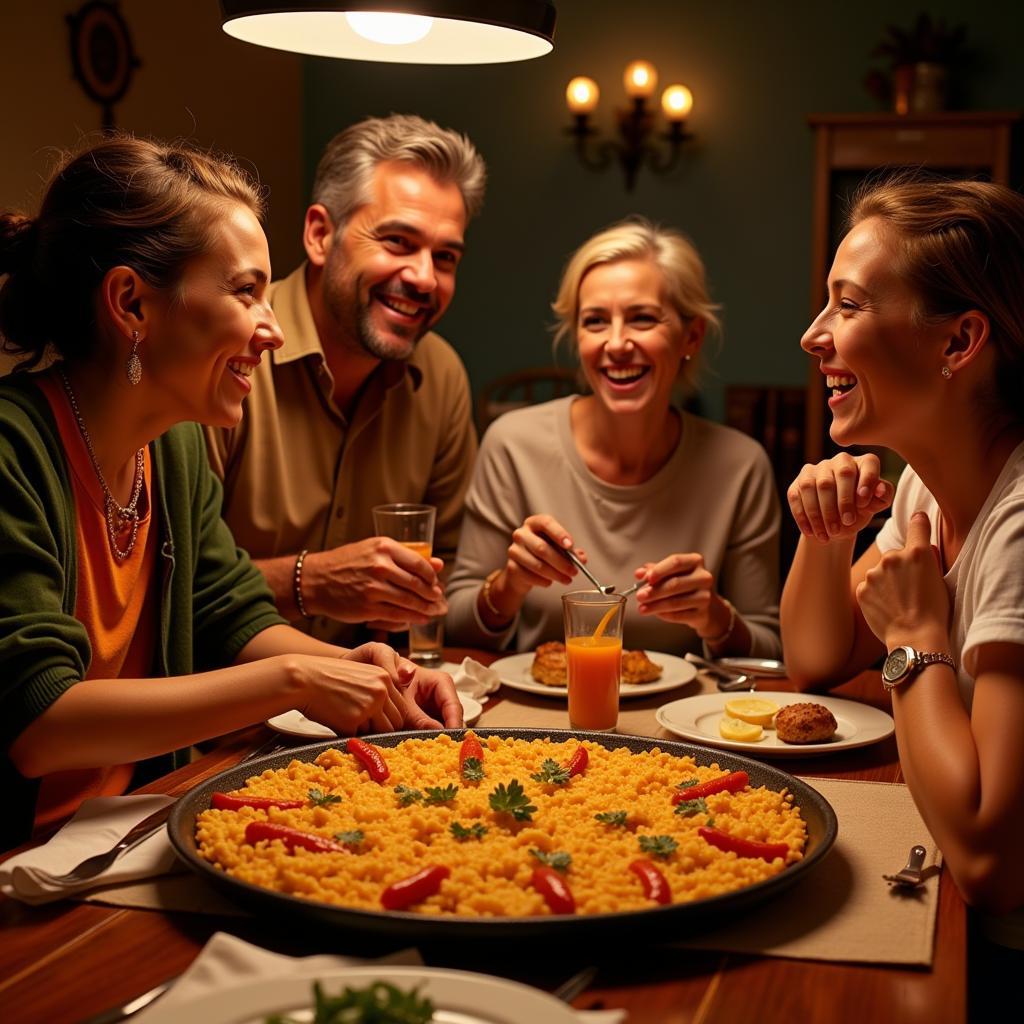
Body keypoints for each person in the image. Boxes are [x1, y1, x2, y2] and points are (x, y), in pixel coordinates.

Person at [0, 135, 461, 851]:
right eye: (246, 292)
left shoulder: (173, 448)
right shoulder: (13, 449)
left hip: (137, 832)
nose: (273, 329)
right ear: (131, 304)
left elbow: (229, 609)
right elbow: (41, 725)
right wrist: (299, 679)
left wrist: (363, 671)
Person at [780, 177, 1024, 958]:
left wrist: (916, 636)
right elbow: (816, 660)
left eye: (848, 307)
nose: (814, 335)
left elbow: (994, 861)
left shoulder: (1019, 522)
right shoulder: (926, 482)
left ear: (959, 343)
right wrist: (827, 537)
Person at [204, 114, 484, 647]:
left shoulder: (441, 375)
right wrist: (308, 582)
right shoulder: (230, 354)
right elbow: (173, 586)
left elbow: (445, 574)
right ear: (320, 234)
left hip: (371, 705)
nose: (425, 277)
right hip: (226, 710)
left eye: (445, 256)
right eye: (398, 241)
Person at [446, 218, 782, 657]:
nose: (617, 343)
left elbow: (771, 652)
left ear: (691, 336)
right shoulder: (512, 444)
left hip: (678, 723)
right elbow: (453, 629)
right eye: (595, 322)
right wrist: (509, 585)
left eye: (642, 318)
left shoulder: (740, 465)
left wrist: (714, 616)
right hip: (540, 723)